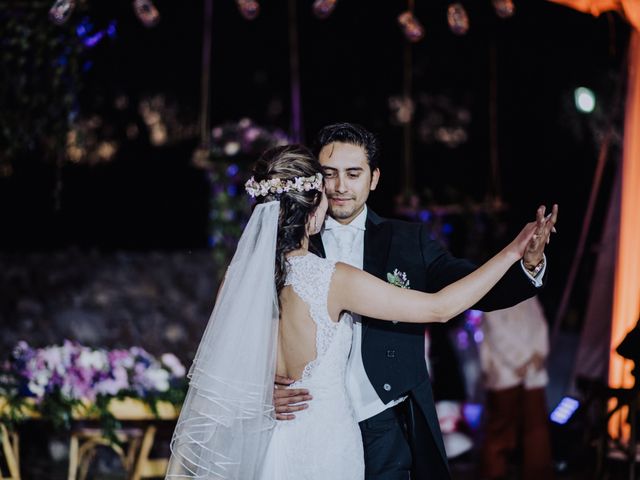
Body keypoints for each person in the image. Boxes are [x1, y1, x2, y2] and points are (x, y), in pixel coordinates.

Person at [166, 144, 549, 480]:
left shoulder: (238, 278)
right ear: (313, 202)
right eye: (327, 180)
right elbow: (441, 307)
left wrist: (259, 395)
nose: (338, 189)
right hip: (326, 442)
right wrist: (512, 251)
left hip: (273, 440)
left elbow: (216, 370)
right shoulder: (331, 278)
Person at [274, 123, 558, 480]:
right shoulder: (291, 246)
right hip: (309, 418)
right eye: (329, 174)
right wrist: (262, 387)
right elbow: (259, 329)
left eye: (353, 173)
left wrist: (527, 264)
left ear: (374, 178)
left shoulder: (408, 240)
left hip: (384, 419)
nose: (340, 186)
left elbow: (470, 289)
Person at [479, 296, 555, 480]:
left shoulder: (529, 292)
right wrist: (522, 358)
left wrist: (538, 354)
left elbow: (540, 323)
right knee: (501, 427)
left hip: (533, 372)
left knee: (536, 427)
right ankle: (494, 473)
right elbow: (497, 331)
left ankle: (538, 474)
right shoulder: (493, 290)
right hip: (504, 370)